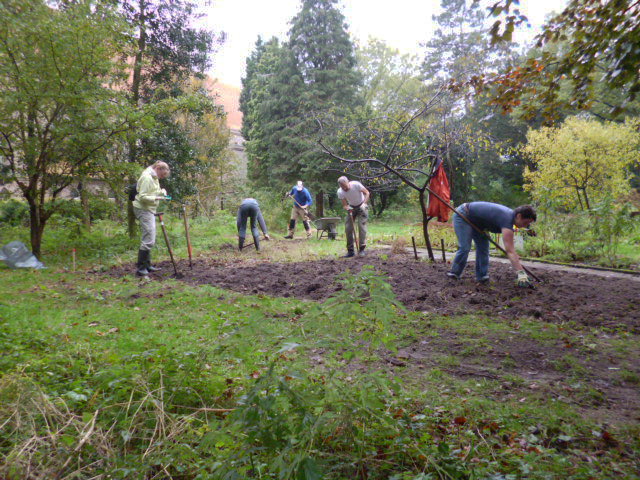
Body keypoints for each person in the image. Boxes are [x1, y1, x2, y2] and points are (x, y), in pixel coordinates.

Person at [447, 202, 537, 287]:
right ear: (519, 216)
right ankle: (454, 275)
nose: (525, 226)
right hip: (463, 214)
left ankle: (482, 277)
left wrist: (516, 259)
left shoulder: (510, 218)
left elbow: (511, 251)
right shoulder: (507, 219)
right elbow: (510, 251)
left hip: (479, 223)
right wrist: (521, 273)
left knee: (483, 247)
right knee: (465, 247)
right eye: (526, 223)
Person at [132, 161, 171, 276]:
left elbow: (153, 191)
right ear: (158, 168)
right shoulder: (147, 178)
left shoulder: (154, 177)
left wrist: (162, 192)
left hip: (149, 209)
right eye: (162, 175)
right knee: (149, 238)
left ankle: (147, 265)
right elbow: (143, 197)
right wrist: (158, 198)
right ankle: (141, 268)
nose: (161, 177)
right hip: (143, 209)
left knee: (150, 236)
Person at [337, 176, 370, 257]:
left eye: (345, 186)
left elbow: (367, 193)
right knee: (348, 228)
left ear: (348, 182)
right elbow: (344, 205)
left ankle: (362, 249)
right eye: (342, 187)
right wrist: (347, 208)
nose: (344, 188)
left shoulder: (356, 185)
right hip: (352, 207)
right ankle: (350, 251)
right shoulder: (340, 192)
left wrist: (364, 204)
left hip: (362, 206)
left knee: (361, 226)